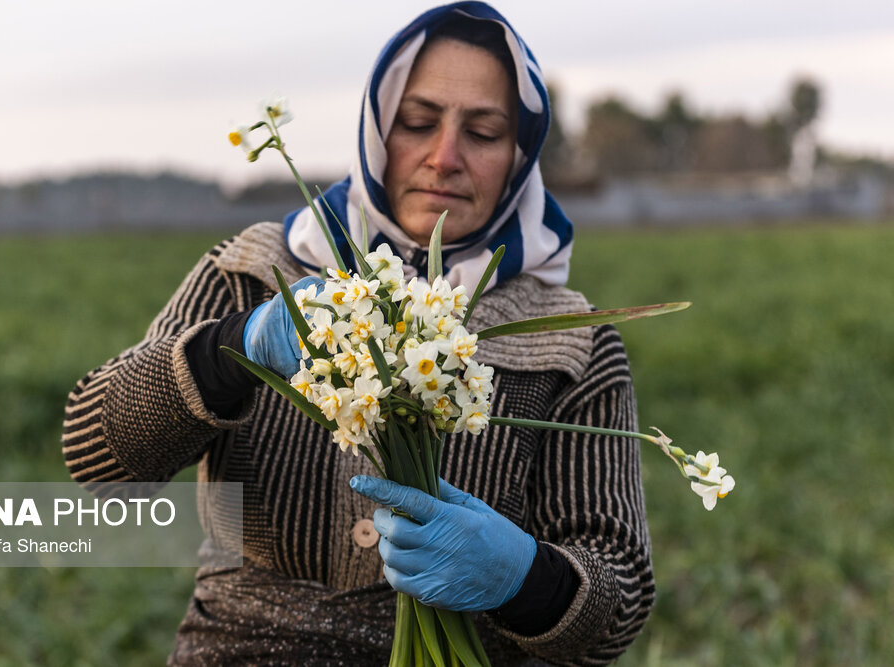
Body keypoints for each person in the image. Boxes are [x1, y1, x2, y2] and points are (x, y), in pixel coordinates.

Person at [61, 2, 654, 664]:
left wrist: (526, 581)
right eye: (418, 122)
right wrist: (235, 348)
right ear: (375, 127)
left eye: (484, 132)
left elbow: (618, 599)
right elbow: (96, 455)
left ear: (521, 154)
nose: (445, 157)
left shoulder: (571, 344)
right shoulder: (255, 274)